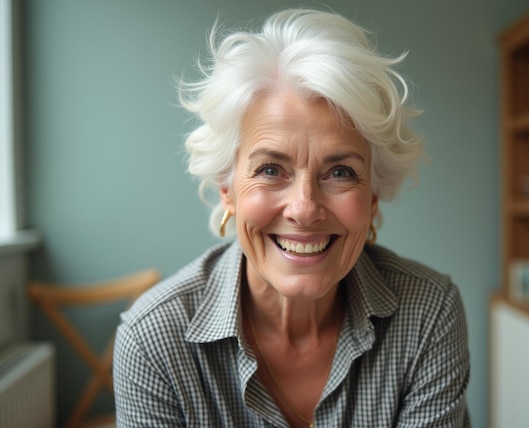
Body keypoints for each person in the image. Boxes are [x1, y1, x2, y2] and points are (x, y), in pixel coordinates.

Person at [113, 8, 470, 428]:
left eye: (340, 172)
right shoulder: (152, 339)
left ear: (373, 198)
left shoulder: (429, 313)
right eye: (269, 169)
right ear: (227, 190)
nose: (304, 209)